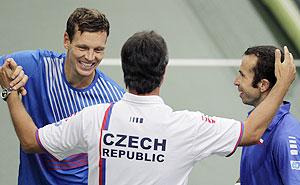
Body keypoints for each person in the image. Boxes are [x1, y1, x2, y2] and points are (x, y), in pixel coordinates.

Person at [0, 31, 296, 185]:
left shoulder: (95, 119)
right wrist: (282, 84)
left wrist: (11, 93)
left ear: (124, 69)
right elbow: (253, 131)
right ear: (164, 72)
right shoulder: (188, 127)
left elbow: (30, 141)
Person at [0, 8, 124, 185]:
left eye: (98, 50)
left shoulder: (114, 100)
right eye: (83, 47)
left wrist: (9, 90)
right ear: (67, 40)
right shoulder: (37, 67)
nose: (90, 57)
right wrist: (6, 72)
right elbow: (4, 68)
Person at [234, 46, 300, 185]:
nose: (236, 81)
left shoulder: (285, 138)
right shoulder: (256, 125)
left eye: (242, 75)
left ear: (263, 85)